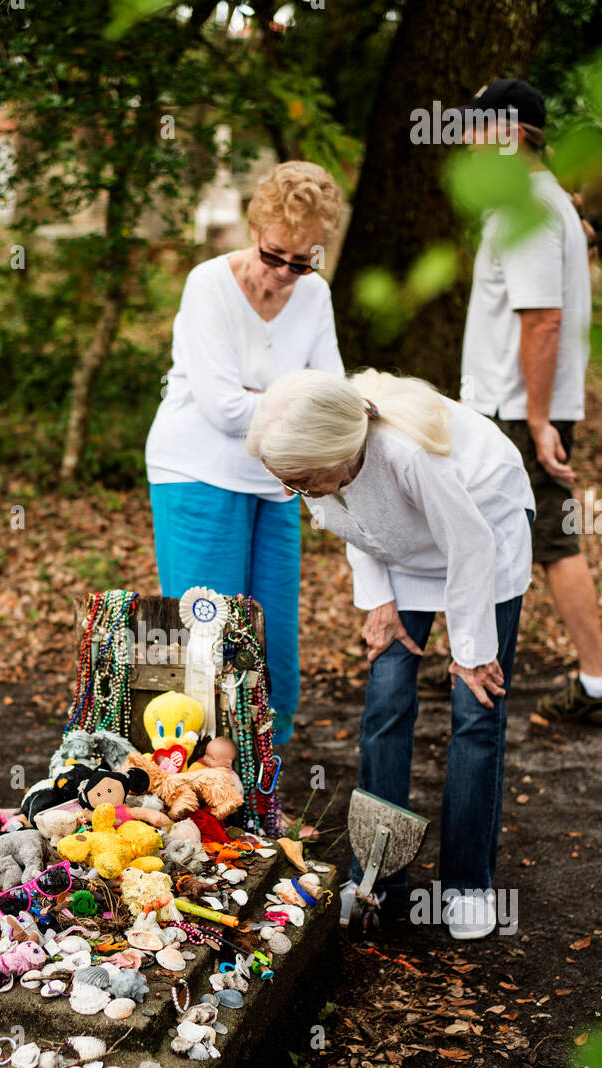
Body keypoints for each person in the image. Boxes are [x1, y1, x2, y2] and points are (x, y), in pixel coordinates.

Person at [246, 368, 535, 941]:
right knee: (386, 699)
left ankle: (467, 883)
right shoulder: (317, 467)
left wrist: (472, 651)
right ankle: (378, 876)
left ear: (338, 454)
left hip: (485, 538)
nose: (290, 492)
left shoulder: (405, 456)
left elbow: (470, 543)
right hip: (405, 552)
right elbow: (354, 524)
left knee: (475, 709)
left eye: (299, 481)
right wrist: (379, 601)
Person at [146, 161, 343, 746]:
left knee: (274, 641)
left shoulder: (315, 294)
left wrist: (271, 401)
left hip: (277, 478)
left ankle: (261, 788)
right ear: (255, 228)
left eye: (301, 261)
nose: (285, 272)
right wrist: (293, 402)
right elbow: (221, 408)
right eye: (274, 254)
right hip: (196, 472)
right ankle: (197, 792)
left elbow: (331, 394)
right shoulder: (208, 284)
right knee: (208, 637)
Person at [456, 77, 602, 726]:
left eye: (478, 132)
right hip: (509, 407)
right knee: (493, 532)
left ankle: (596, 681)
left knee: (551, 540)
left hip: (518, 411)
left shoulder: (531, 211)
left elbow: (540, 320)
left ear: (512, 136)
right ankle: (474, 650)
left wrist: (538, 421)